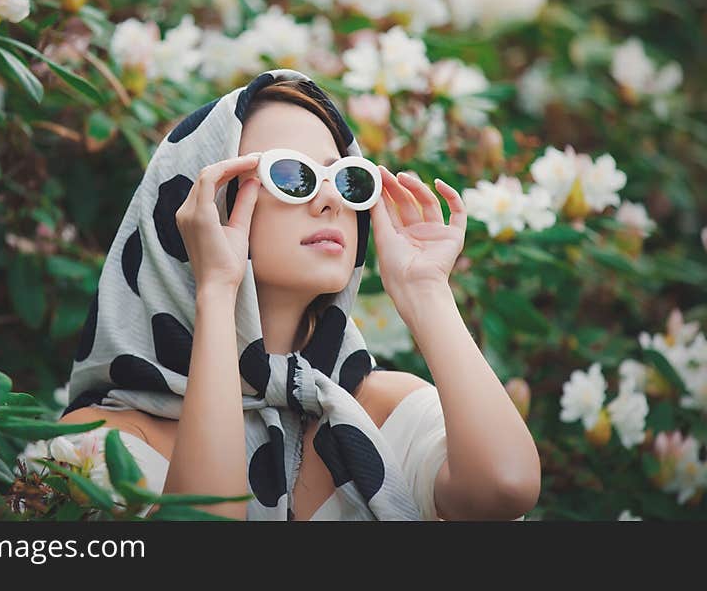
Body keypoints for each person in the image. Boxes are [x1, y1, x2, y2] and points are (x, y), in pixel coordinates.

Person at [59, 69, 540, 521]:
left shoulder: (386, 408)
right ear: (198, 208)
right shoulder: (96, 444)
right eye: (293, 176)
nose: (330, 200)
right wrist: (216, 290)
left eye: (348, 179)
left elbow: (504, 487)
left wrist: (426, 291)